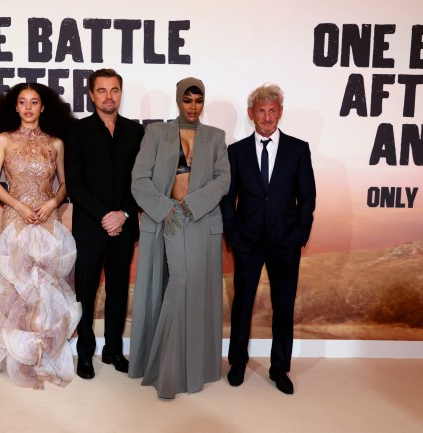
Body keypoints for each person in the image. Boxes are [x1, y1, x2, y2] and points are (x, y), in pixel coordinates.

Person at [0, 83, 80, 390]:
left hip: (47, 220)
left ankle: (42, 354)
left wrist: (52, 204)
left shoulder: (56, 143)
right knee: (14, 287)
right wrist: (19, 206)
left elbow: (65, 184)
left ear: (44, 107)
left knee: (44, 287)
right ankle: (17, 357)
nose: (28, 107)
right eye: (22, 102)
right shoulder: (3, 139)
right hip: (16, 219)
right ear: (14, 107)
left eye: (34, 102)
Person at [128, 77, 231, 399]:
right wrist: (164, 208)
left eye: (198, 101)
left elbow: (223, 179)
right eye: (187, 100)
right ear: (178, 100)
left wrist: (193, 204)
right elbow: (139, 179)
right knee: (178, 283)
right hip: (167, 218)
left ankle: (190, 368)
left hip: (201, 219)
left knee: (194, 290)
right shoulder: (156, 133)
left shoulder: (216, 137)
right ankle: (167, 369)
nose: (193, 107)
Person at [221, 83, 316, 395]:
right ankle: (237, 363)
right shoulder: (236, 152)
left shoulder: (298, 150)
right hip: (247, 241)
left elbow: (307, 196)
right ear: (251, 114)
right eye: (261, 110)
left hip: (285, 242)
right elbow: (227, 198)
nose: (267, 116)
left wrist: (300, 234)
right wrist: (233, 233)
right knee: (242, 305)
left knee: (283, 307)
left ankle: (279, 369)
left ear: (280, 112)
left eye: (272, 110)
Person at [65, 69, 144, 379]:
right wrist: (105, 216)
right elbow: (75, 183)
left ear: (120, 93)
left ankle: (113, 350)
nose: (108, 96)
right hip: (89, 229)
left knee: (118, 292)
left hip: (124, 228)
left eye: (114, 90)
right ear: (91, 95)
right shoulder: (78, 131)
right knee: (85, 293)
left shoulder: (136, 132)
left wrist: (123, 213)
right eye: (102, 90)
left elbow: (142, 180)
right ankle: (85, 353)